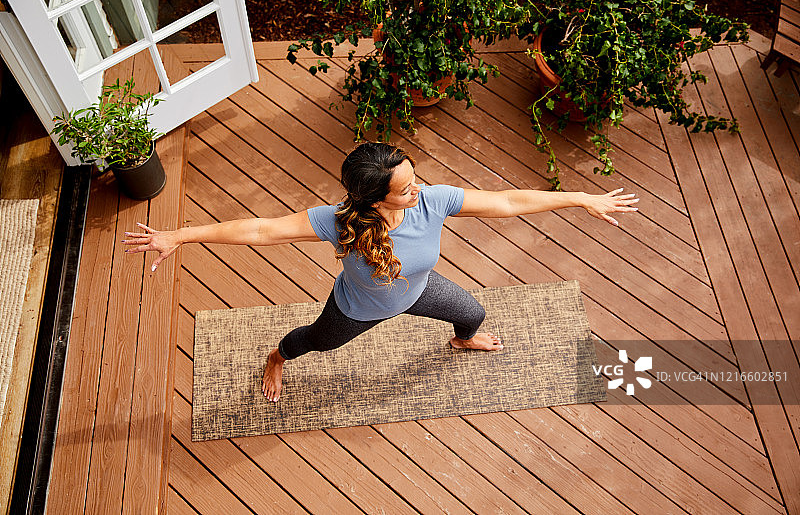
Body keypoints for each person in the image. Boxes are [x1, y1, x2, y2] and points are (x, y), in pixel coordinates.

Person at [123, 142, 638, 402]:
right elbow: (259, 231)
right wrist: (180, 235)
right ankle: (276, 356)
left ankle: (462, 340)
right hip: (357, 309)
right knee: (316, 342)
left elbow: (507, 200)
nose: (419, 189)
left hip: (417, 292)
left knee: (473, 313)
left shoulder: (432, 201)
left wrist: (579, 198)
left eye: (416, 179)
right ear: (375, 196)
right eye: (407, 187)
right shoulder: (338, 221)